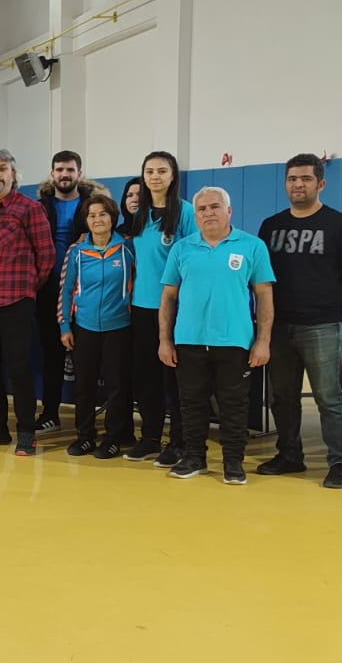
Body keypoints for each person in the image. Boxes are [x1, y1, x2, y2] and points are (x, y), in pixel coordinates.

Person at [257, 153, 342, 488]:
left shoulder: (341, 226)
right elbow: (261, 276)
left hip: (322, 326)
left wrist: (331, 309)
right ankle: (290, 455)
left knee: (329, 398)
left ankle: (341, 463)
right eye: (292, 179)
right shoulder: (271, 226)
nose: (298, 185)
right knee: (282, 397)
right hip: (279, 327)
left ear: (320, 183)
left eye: (305, 179)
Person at [160, 187, 275, 484]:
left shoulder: (252, 246)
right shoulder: (181, 249)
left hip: (234, 342)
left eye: (215, 206)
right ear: (195, 215)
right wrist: (165, 340)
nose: (208, 213)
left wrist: (263, 341)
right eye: (202, 209)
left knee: (234, 406)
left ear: (229, 211)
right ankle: (194, 458)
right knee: (191, 404)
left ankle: (233, 463)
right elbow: (168, 296)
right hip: (189, 341)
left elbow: (264, 294)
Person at [0, 149, 53, 456]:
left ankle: (26, 432)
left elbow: (46, 256)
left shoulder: (30, 209)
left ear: (13, 175)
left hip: (16, 301)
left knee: (18, 369)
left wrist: (26, 287)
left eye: (3, 168)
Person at [122, 152, 197, 467]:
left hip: (175, 309)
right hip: (142, 308)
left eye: (162, 171)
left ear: (173, 175)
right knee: (146, 378)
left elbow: (194, 259)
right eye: (149, 171)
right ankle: (150, 437)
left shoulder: (186, 212)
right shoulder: (140, 214)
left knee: (174, 380)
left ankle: (179, 442)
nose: (155, 176)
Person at [34, 151, 109, 435]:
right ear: (52, 173)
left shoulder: (94, 207)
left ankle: (86, 423)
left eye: (70, 169)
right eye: (59, 170)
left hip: (86, 293)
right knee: (51, 357)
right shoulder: (40, 207)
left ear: (79, 173)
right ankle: (50, 414)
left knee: (87, 360)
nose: (64, 174)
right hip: (47, 291)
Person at [58, 194, 135, 458]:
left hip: (119, 327)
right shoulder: (76, 251)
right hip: (84, 327)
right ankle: (85, 436)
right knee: (84, 386)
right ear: (86, 221)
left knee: (117, 387)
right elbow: (66, 289)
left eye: (102, 214)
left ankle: (113, 438)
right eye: (92, 215)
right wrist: (64, 326)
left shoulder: (128, 248)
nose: (97, 219)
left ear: (112, 218)